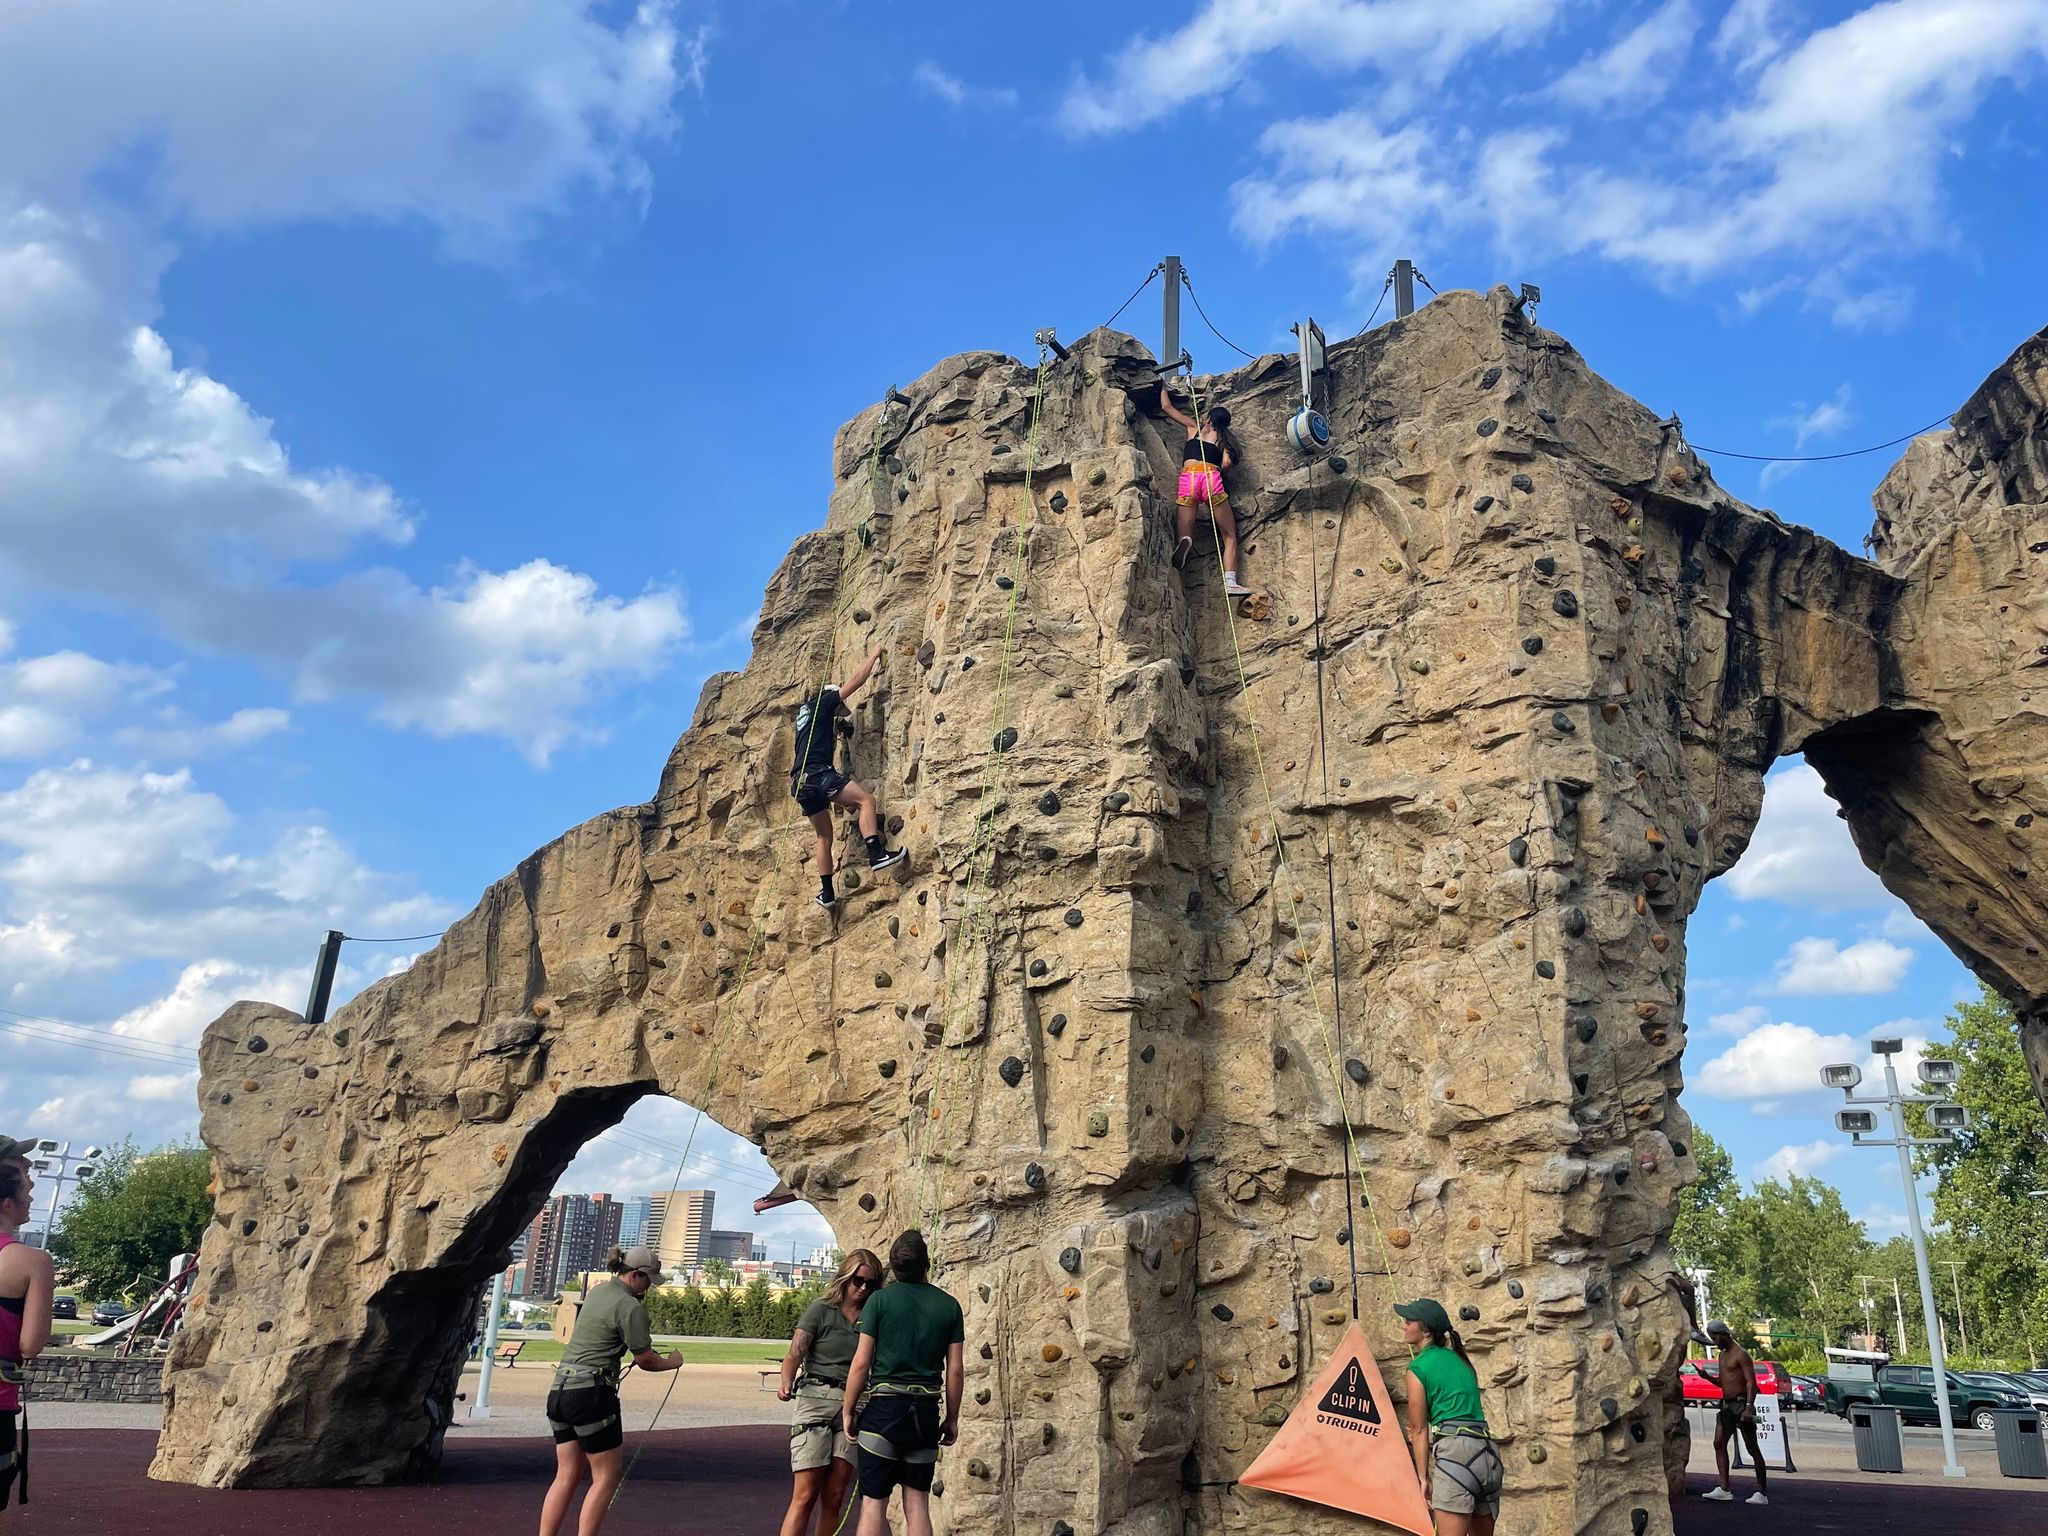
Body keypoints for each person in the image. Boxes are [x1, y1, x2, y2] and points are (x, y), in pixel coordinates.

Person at [538, 1245, 684, 1536]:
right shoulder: (629, 1307)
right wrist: (672, 1362)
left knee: (566, 1474)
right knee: (606, 1477)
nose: (649, 1289)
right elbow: (646, 1360)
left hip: (560, 1390)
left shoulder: (598, 1292)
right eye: (648, 1281)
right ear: (635, 1275)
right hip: (591, 1395)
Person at [842, 1231, 963, 1536]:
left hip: (883, 1411)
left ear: (892, 1269)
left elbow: (860, 1364)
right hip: (924, 1415)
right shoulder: (949, 1306)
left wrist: (848, 1411)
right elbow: (956, 1370)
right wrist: (951, 1418)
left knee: (872, 1504)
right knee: (917, 1504)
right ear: (927, 1264)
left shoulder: (879, 1301)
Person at [776, 1248, 883, 1536]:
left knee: (835, 1495)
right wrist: (786, 1380)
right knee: (805, 1493)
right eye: (858, 1281)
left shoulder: (874, 1316)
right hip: (817, 1399)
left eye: (870, 1284)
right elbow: (794, 1353)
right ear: (845, 1278)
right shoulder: (821, 1309)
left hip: (855, 1404)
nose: (862, 1289)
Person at [792, 642, 905, 910]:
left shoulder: (806, 715)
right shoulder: (825, 699)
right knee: (866, 801)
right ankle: (876, 854)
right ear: (833, 699)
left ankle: (827, 893)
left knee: (823, 836)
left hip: (799, 783)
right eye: (839, 705)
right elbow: (856, 680)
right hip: (819, 774)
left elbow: (822, 733)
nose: (841, 708)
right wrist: (876, 653)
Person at [1397, 1297, 1501, 1536]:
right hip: (1488, 1455)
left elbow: (1418, 1428)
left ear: (1426, 1332)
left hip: (1457, 1456)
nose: (1404, 1326)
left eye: (1409, 1321)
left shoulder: (1418, 1369)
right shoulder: (1461, 1362)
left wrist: (1422, 1478)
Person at [1158, 392, 1251, 598]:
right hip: (1210, 477)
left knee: (1184, 533)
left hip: (1189, 478)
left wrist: (1162, 387)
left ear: (1208, 418)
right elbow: (1226, 464)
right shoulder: (1223, 441)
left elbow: (1167, 407)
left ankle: (1185, 540)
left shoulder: (1194, 428)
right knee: (1229, 536)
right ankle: (1230, 582)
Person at [1, 1156, 55, 1509]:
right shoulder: (33, 1261)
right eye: (27, 1191)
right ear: (7, 1204)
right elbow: (30, 1344)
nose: (31, 1199)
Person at [1701, 1320, 1768, 1505]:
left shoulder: (1741, 1354)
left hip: (1740, 1404)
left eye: (1715, 1338)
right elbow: (1724, 1383)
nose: (1714, 1342)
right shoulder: (1722, 1355)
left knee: (1752, 1447)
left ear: (1724, 1335)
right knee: (1719, 1443)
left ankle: (1761, 1492)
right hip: (1727, 1405)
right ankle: (1724, 1488)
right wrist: (1707, 1378)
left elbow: (1750, 1382)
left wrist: (1749, 1405)